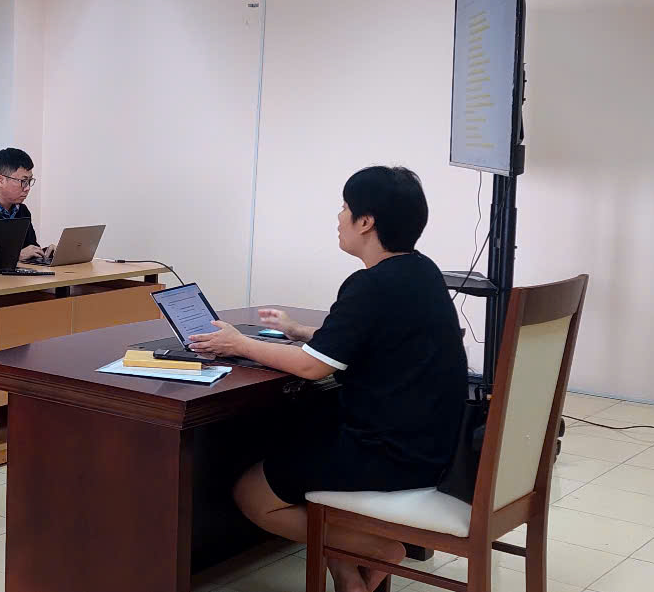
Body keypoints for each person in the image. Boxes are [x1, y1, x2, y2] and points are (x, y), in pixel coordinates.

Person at [186, 166, 467, 592]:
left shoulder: (370, 285)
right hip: (433, 446)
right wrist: (301, 332)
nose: (339, 217)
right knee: (301, 433)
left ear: (366, 222)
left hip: (387, 455)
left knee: (252, 494)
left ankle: (379, 549)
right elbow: (375, 338)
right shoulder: (422, 272)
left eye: (345, 208)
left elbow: (312, 368)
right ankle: (350, 579)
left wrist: (238, 343)